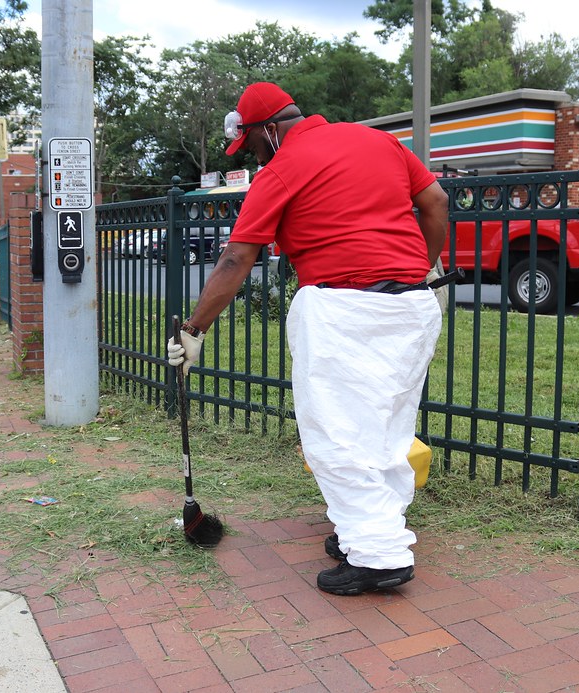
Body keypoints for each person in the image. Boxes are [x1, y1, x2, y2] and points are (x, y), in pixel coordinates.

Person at [166, 82, 449, 596]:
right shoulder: (378, 141)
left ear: (270, 129)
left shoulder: (281, 169)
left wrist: (193, 329)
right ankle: (365, 531)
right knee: (387, 430)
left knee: (336, 435)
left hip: (343, 308)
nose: (254, 157)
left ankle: (379, 556)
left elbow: (236, 258)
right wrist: (419, 268)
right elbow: (436, 201)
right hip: (412, 306)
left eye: (253, 145)